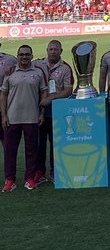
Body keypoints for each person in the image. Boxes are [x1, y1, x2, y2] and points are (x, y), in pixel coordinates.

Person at [1, 45, 48, 192]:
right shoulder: (10, 72)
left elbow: (43, 92)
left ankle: (30, 179)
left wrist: (41, 113)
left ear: (32, 56)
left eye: (27, 54)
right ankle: (10, 180)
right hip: (12, 118)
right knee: (10, 151)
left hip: (31, 117)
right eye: (21, 54)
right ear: (17, 56)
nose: (24, 57)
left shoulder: (38, 72)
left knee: (31, 151)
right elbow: (3, 94)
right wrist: (3, 115)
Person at [35, 40, 74, 184]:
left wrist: (51, 98)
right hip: (38, 108)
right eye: (51, 49)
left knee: (55, 142)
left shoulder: (65, 68)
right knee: (39, 142)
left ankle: (54, 170)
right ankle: (40, 171)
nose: (53, 52)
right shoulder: (37, 64)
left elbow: (68, 90)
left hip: (56, 110)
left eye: (56, 49)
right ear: (47, 50)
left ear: (61, 51)